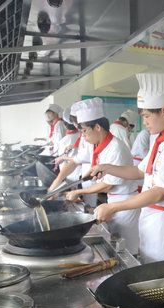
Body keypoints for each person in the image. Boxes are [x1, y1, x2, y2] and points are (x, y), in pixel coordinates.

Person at [91, 73, 164, 263]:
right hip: (150, 216)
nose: (144, 121)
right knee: (148, 267)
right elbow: (139, 171)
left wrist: (113, 207)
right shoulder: (160, 139)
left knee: (160, 277)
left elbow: (160, 193)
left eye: (147, 116)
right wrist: (105, 167)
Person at [56, 98, 140, 256]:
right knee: (117, 245)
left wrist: (79, 192)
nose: (83, 135)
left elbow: (109, 185)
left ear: (98, 127)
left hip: (125, 203)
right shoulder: (101, 145)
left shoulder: (116, 148)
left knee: (128, 250)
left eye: (85, 131)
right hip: (114, 201)